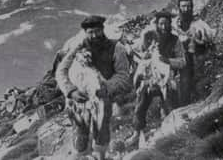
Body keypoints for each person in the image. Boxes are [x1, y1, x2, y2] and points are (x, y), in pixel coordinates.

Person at [55, 15, 131, 160]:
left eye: (97, 31)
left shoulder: (116, 48)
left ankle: (101, 156)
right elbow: (61, 71)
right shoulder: (77, 48)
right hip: (78, 100)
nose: (94, 35)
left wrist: (107, 87)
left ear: (103, 29)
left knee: (101, 133)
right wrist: (71, 91)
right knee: (80, 135)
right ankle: (82, 156)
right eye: (90, 32)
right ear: (85, 33)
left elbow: (123, 76)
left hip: (102, 97)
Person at [126, 10, 186, 148]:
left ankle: (171, 131)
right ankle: (137, 132)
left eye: (166, 24)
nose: (164, 27)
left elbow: (183, 62)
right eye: (161, 24)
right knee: (140, 104)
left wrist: (167, 60)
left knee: (170, 103)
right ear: (157, 25)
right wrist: (132, 51)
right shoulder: (149, 37)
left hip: (167, 78)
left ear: (170, 24)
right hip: (149, 79)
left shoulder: (175, 40)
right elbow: (136, 49)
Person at [174, 0, 215, 106]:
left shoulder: (200, 24)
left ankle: (190, 105)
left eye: (188, 6)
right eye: (183, 6)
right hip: (179, 59)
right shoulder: (174, 24)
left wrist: (197, 39)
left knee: (191, 81)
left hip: (197, 57)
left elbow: (210, 38)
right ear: (179, 8)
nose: (186, 9)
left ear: (192, 7)